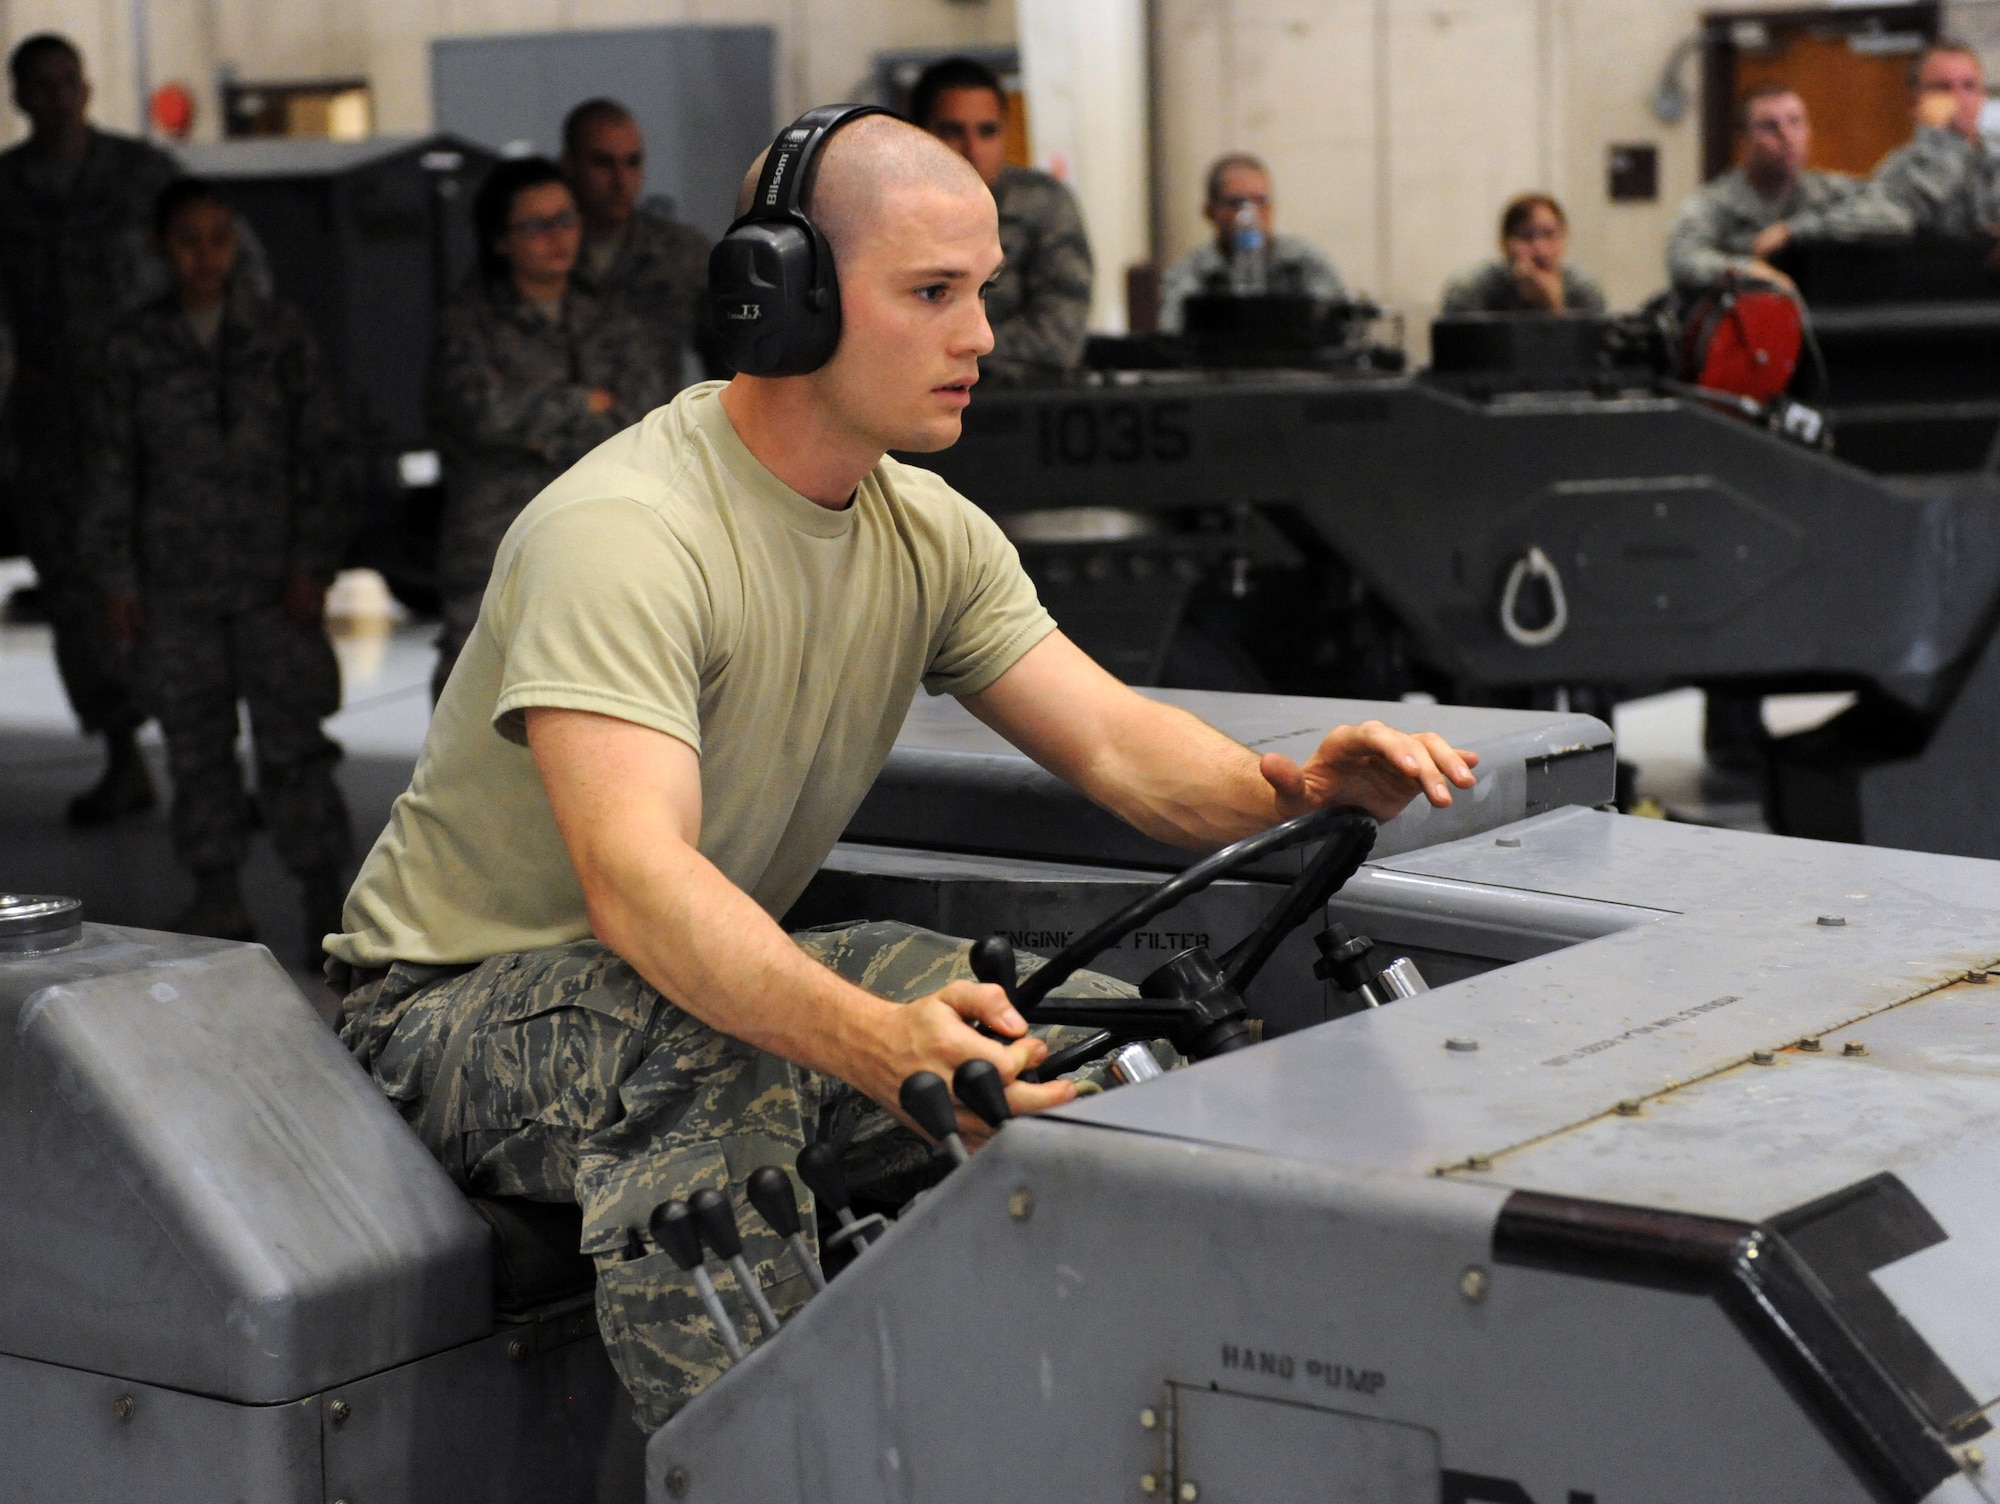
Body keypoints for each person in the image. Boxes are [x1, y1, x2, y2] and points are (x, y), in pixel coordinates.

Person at [325, 110, 1479, 1431]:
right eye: (932, 294)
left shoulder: (926, 530)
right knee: (715, 1060)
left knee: (1096, 1040)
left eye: (980, 292)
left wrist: (1296, 788)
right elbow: (637, 885)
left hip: (668, 978)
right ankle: (769, 1461)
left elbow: (1118, 747)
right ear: (785, 300)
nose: (981, 335)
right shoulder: (626, 534)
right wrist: (876, 1042)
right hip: (449, 1012)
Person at [81, 179, 352, 961]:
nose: (206, 256)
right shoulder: (133, 345)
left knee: (294, 742)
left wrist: (313, 564)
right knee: (195, 743)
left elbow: (321, 456)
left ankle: (321, 901)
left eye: (219, 239)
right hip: (176, 584)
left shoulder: (277, 333)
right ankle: (218, 891)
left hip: (274, 583)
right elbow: (110, 467)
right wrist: (116, 577)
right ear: (165, 249)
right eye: (189, 240)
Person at [0, 34, 174, 826]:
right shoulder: (6, 190)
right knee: (77, 592)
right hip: (54, 426)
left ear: (88, 86)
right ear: (19, 96)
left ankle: (207, 764)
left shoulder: (143, 176)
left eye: (67, 80)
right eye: (39, 84)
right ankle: (121, 756)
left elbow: (214, 265)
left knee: (174, 579)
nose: (56, 95)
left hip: (147, 417)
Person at [427, 156, 667, 698]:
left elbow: (646, 416)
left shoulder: (610, 313)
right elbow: (478, 413)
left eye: (565, 219)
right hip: (494, 533)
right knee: (476, 685)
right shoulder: (468, 320)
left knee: (596, 681)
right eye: (536, 226)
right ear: (500, 240)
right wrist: (586, 405)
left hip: (597, 530)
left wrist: (537, 423)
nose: (557, 237)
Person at [909, 56, 1092, 382]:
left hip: (1019, 408)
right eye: (952, 131)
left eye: (988, 131)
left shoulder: (1043, 204)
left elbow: (1057, 342)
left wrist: (938, 352)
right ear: (918, 134)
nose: (972, 149)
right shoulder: (888, 213)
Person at [1665, 84, 1911, 295]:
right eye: (1769, 126)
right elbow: (1684, 259)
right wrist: (1746, 270)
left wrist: (1793, 230)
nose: (1787, 135)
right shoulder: (1716, 202)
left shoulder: (1827, 190)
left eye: (1796, 121)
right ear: (1744, 140)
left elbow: (1894, 215)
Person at [559, 98, 715, 390]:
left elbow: (730, 364)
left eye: (633, 162)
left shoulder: (680, 252)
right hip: (561, 428)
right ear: (570, 165)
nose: (621, 180)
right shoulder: (544, 252)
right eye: (603, 163)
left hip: (652, 430)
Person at [1158, 153, 1346, 332]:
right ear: (1210, 211)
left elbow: (1339, 323)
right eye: (1236, 203)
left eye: (1261, 201)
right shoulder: (1191, 273)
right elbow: (1172, 333)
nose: (1250, 214)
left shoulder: (1303, 262)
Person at [1873, 40, 2000, 237]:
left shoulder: (1994, 159)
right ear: (1915, 101)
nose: (1958, 97)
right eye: (1942, 87)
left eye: (1968, 86)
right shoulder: (1899, 169)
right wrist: (1936, 134)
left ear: (1982, 94)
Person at [1442, 193, 1607, 315]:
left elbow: (1589, 357)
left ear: (1564, 239)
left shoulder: (1584, 288)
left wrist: (1554, 306)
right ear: (1504, 244)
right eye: (1526, 237)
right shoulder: (1469, 288)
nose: (1540, 249)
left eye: (1549, 235)